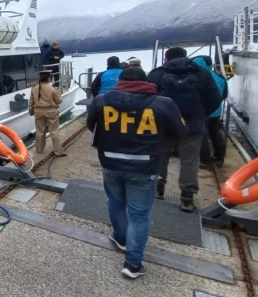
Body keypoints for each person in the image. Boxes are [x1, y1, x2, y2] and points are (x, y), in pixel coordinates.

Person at [87, 68, 188, 279]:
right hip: (144, 167)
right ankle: (133, 263)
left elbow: (91, 126)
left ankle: (121, 238)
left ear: (120, 82)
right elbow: (180, 132)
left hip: (110, 163)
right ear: (147, 82)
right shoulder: (163, 103)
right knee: (139, 214)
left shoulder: (101, 101)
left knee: (114, 202)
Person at [147, 47, 222, 212]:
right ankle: (187, 197)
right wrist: (201, 114)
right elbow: (215, 98)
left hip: (163, 124)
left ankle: (157, 189)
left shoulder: (157, 74)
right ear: (186, 57)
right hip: (192, 125)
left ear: (166, 58)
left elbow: (146, 99)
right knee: (190, 160)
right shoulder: (202, 73)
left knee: (160, 156)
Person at [193, 56, 228, 166]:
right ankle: (219, 157)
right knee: (215, 133)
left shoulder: (196, 77)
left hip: (202, 111)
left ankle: (205, 160)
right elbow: (224, 95)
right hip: (216, 111)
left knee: (202, 135)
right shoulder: (220, 77)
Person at [28, 70, 66, 156]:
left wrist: (31, 112)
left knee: (40, 131)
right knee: (54, 131)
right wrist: (59, 93)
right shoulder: (52, 88)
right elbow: (59, 101)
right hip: (51, 112)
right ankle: (58, 151)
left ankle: (39, 150)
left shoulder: (34, 88)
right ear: (49, 77)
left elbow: (31, 102)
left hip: (38, 112)